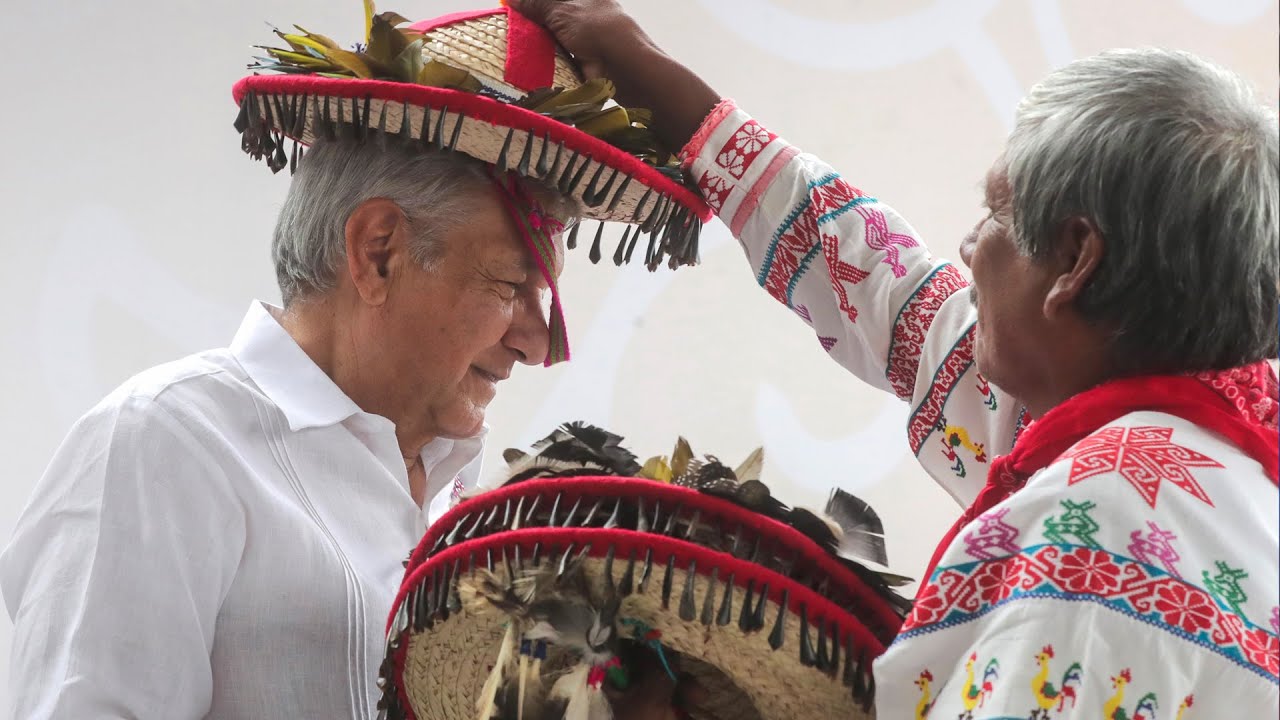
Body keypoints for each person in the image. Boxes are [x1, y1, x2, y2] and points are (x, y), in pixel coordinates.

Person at [509, 0, 1280, 715]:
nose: (970, 248)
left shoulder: (1095, 526)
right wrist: (647, 69)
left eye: (998, 214)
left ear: (1076, 260)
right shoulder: (1217, 442)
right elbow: (880, 282)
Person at [0, 5, 711, 718]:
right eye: (508, 285)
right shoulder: (167, 443)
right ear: (378, 252)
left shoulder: (465, 508)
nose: (539, 343)